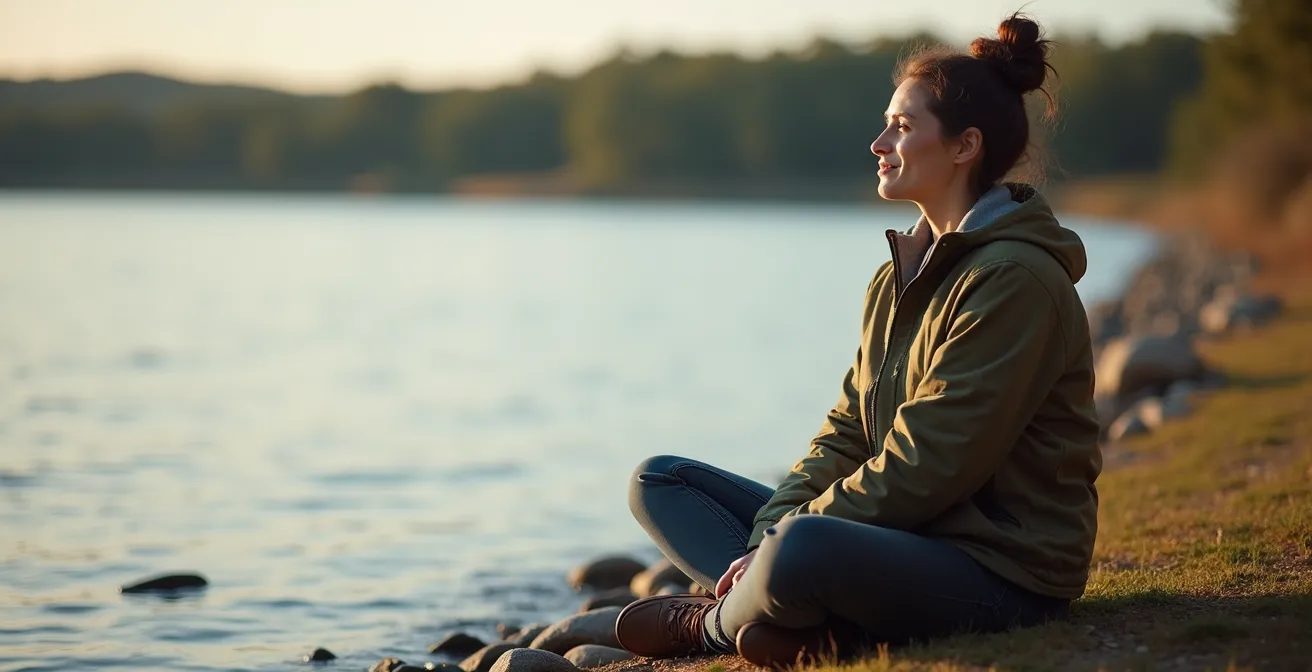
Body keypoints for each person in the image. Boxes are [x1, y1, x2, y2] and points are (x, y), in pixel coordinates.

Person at [613, 12, 1102, 670]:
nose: (879, 143)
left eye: (901, 127)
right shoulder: (898, 277)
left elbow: (930, 461)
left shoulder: (1014, 280)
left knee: (804, 549)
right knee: (661, 481)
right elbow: (849, 432)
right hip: (903, 537)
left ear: (964, 146)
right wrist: (770, 528)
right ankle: (812, 621)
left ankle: (712, 626)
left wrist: (787, 539)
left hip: (1001, 571)